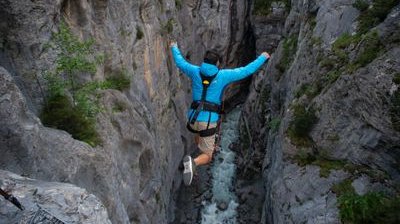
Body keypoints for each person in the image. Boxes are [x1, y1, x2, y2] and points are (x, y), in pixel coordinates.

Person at [170, 41, 270, 186]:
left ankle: (204, 146)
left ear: (204, 61)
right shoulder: (223, 75)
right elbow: (246, 71)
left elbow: (180, 62)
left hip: (192, 118)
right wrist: (262, 57)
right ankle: (193, 161)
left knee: (200, 136)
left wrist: (174, 47)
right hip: (208, 121)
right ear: (217, 64)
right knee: (208, 156)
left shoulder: (193, 70)